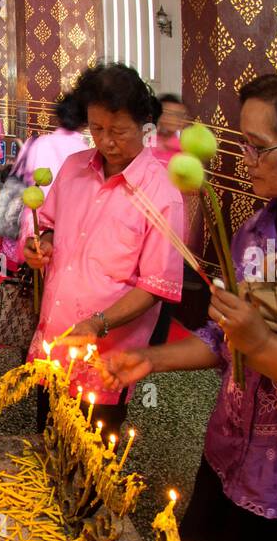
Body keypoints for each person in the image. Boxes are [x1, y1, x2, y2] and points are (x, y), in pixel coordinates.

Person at [98, 73, 277, 541]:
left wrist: (259, 340)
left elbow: (254, 345)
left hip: (276, 483)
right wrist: (150, 360)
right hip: (226, 445)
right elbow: (224, 345)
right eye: (240, 143)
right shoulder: (253, 234)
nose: (245, 160)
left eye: (258, 147)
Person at [23, 62, 184, 434]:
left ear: (145, 126)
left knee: (91, 464)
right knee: (46, 439)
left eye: (119, 131)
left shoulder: (162, 195)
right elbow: (48, 226)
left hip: (108, 356)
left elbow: (155, 287)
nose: (107, 141)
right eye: (97, 129)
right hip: (55, 337)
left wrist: (100, 322)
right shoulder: (74, 168)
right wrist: (41, 245)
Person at [1, 94, 89, 268]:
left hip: (36, 217)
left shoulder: (39, 143)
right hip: (70, 222)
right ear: (85, 122)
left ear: (59, 117)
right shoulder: (85, 150)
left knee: (35, 266)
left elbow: (20, 176)